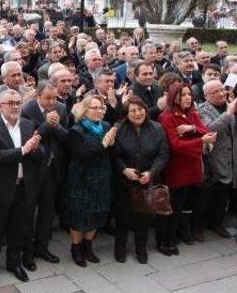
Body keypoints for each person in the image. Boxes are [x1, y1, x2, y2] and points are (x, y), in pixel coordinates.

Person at [0, 89, 43, 287]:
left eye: (18, 102)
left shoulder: (28, 124)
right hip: (0, 189)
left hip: (23, 187)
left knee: (19, 228)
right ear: (0, 105)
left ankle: (14, 263)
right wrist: (24, 150)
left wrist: (36, 147)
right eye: (10, 103)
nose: (15, 106)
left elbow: (39, 153)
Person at [157, 82, 216, 256]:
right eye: (183, 95)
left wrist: (192, 128)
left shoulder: (192, 113)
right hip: (176, 169)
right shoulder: (167, 117)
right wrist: (200, 141)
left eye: (189, 94)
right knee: (171, 207)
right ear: (174, 97)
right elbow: (176, 145)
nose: (188, 97)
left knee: (183, 205)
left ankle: (174, 237)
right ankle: (164, 240)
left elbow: (207, 132)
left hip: (192, 167)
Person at [113, 97, 169, 264]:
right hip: (124, 180)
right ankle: (120, 249)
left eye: (140, 109)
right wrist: (124, 169)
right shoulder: (118, 129)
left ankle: (141, 250)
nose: (138, 113)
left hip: (147, 181)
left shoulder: (157, 128)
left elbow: (163, 154)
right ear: (126, 114)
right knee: (122, 217)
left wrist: (151, 173)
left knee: (143, 218)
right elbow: (113, 155)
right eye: (133, 111)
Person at [64, 94, 117, 267]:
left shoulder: (106, 126)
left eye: (101, 107)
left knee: (97, 212)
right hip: (81, 178)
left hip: (102, 176)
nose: (99, 111)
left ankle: (88, 245)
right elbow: (81, 154)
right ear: (85, 110)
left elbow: (112, 152)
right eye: (94, 107)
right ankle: (76, 247)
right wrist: (103, 145)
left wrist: (111, 144)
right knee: (79, 214)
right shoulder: (76, 130)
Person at [20, 83, 69, 268]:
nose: (51, 102)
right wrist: (47, 124)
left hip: (52, 168)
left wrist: (55, 126)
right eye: (47, 98)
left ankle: (42, 247)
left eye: (54, 98)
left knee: (47, 212)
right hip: (33, 169)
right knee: (28, 212)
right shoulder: (27, 110)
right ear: (38, 96)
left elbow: (66, 137)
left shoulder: (62, 109)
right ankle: (27, 252)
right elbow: (31, 138)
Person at [197, 80, 236, 240]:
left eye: (221, 90)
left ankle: (216, 223)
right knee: (205, 198)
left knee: (222, 197)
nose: (220, 94)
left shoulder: (228, 105)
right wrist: (229, 113)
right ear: (206, 96)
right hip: (213, 161)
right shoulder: (201, 109)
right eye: (215, 92)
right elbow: (210, 128)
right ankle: (198, 227)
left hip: (231, 159)